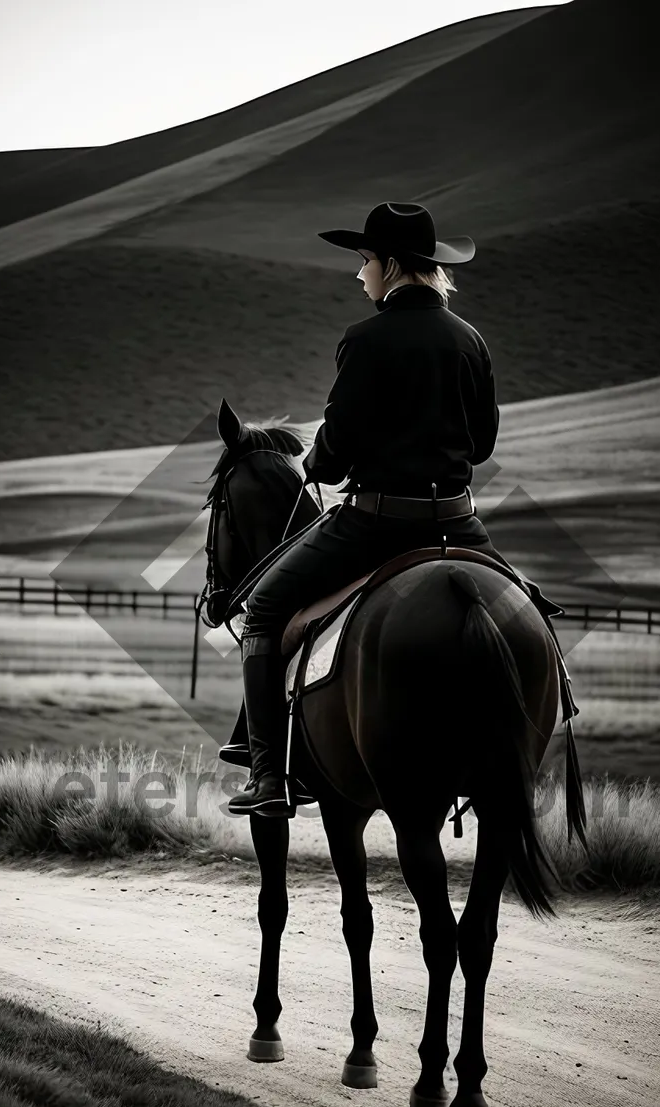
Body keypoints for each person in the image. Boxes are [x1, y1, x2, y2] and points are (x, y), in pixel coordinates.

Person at [227, 201, 514, 818]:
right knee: (526, 610)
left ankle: (267, 777)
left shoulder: (364, 339)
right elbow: (483, 444)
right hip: (458, 519)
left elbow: (338, 441)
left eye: (363, 262)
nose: (359, 275)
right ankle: (550, 710)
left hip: (376, 523)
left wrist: (319, 461)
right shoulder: (472, 341)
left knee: (263, 610)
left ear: (390, 265)